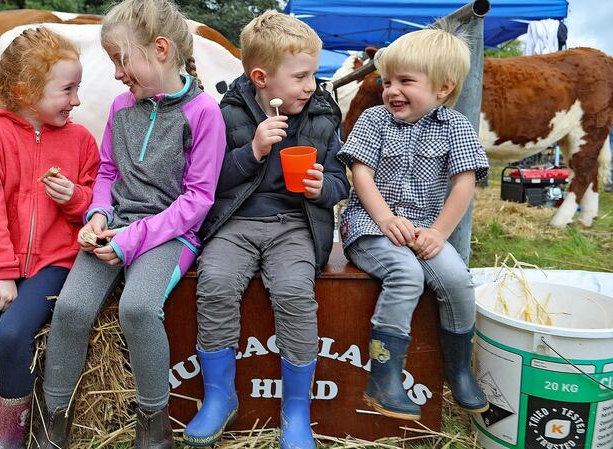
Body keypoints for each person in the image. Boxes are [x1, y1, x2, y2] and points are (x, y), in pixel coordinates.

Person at [33, 1, 226, 447]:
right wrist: (96, 216)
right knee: (71, 309)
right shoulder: (121, 107)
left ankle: (154, 430)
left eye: (122, 59)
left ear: (160, 49)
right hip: (114, 226)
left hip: (170, 233)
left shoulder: (203, 114)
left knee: (137, 309)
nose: (118, 73)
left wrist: (133, 239)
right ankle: (51, 426)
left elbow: (197, 201)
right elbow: (108, 173)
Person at [184, 11, 350, 449]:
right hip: (236, 221)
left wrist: (320, 188)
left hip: (294, 222)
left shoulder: (322, 114)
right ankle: (220, 396)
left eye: (313, 74)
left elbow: (339, 181)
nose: (311, 85)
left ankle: (296, 411)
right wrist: (253, 150)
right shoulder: (227, 112)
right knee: (215, 283)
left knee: (295, 291)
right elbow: (209, 181)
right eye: (301, 77)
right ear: (261, 77)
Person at [0, 27, 99, 449]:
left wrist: (74, 198)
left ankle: (9, 437)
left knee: (12, 334)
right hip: (0, 260)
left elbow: (96, 204)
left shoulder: (81, 140)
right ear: (26, 90)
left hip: (54, 262)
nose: (77, 100)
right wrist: (1, 272)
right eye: (68, 89)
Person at [337, 27, 490, 421]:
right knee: (406, 273)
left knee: (457, 279)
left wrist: (439, 232)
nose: (392, 91)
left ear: (443, 88)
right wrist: (384, 217)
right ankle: (384, 377)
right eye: (387, 81)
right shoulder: (374, 119)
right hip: (370, 226)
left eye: (406, 81)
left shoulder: (456, 126)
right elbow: (361, 173)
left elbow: (464, 182)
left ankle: (457, 372)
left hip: (425, 229)